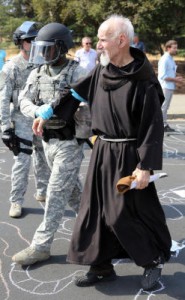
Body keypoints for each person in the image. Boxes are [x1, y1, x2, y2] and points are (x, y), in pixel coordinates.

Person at [32, 14, 172, 290]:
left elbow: (153, 127)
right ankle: (101, 266)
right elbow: (74, 94)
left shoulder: (143, 80)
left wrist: (145, 166)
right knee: (93, 211)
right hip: (103, 151)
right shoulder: (102, 70)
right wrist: (46, 113)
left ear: (121, 40)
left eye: (103, 39)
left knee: (124, 213)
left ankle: (152, 260)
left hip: (130, 155)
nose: (98, 45)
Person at [12, 22, 90, 266]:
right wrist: (37, 110)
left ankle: (41, 246)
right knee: (74, 195)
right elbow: (23, 99)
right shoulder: (37, 72)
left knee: (55, 193)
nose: (43, 54)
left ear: (61, 47)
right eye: (40, 49)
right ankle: (98, 228)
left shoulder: (77, 73)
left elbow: (92, 99)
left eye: (48, 49)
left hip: (69, 143)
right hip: (47, 143)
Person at [0, 21, 50, 218]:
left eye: (37, 39)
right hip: (20, 120)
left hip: (40, 119)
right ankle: (16, 201)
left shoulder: (43, 63)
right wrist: (5, 127)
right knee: (22, 162)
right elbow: (3, 98)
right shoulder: (12, 67)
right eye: (30, 40)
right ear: (21, 42)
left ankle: (42, 191)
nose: (35, 43)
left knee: (43, 158)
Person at [158, 40, 183, 132]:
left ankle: (163, 124)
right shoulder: (165, 59)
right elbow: (162, 76)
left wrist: (176, 78)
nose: (176, 49)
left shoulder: (170, 58)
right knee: (163, 107)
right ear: (168, 48)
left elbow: (170, 72)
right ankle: (162, 125)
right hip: (165, 86)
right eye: (174, 48)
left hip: (170, 86)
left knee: (165, 107)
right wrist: (175, 79)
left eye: (176, 47)